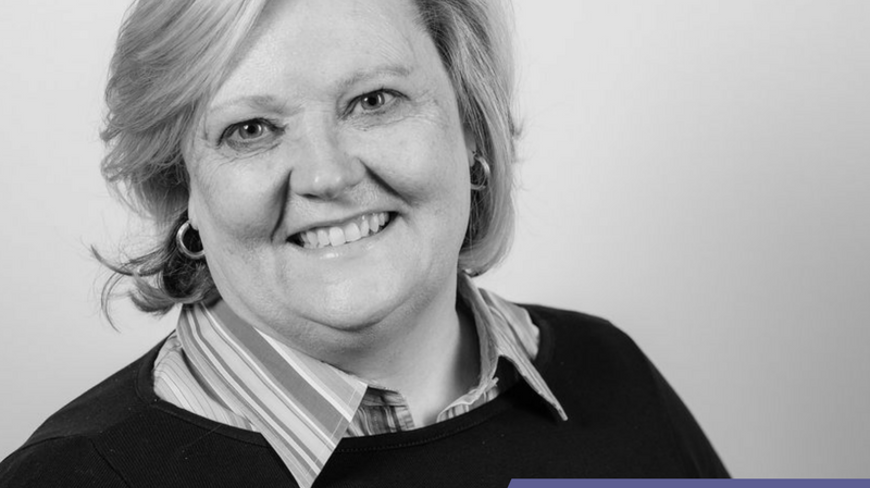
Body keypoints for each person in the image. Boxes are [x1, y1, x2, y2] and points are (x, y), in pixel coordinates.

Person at [0, 0, 729, 486]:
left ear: (470, 128)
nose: (327, 175)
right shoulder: (73, 478)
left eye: (374, 101)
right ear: (179, 185)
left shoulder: (609, 371)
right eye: (251, 129)